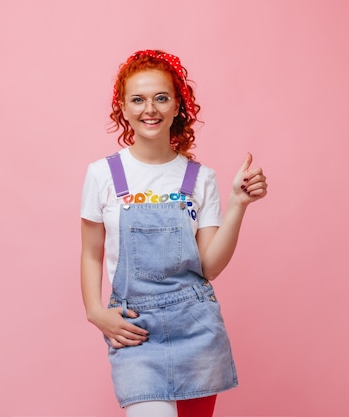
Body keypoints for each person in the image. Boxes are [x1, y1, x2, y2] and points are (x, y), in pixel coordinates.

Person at [80, 49, 268, 417]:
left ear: (178, 104)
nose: (150, 108)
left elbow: (209, 266)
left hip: (196, 329)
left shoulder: (201, 179)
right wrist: (95, 311)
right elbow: (90, 252)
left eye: (161, 97)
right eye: (138, 99)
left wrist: (238, 204)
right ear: (123, 106)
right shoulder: (102, 175)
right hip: (137, 330)